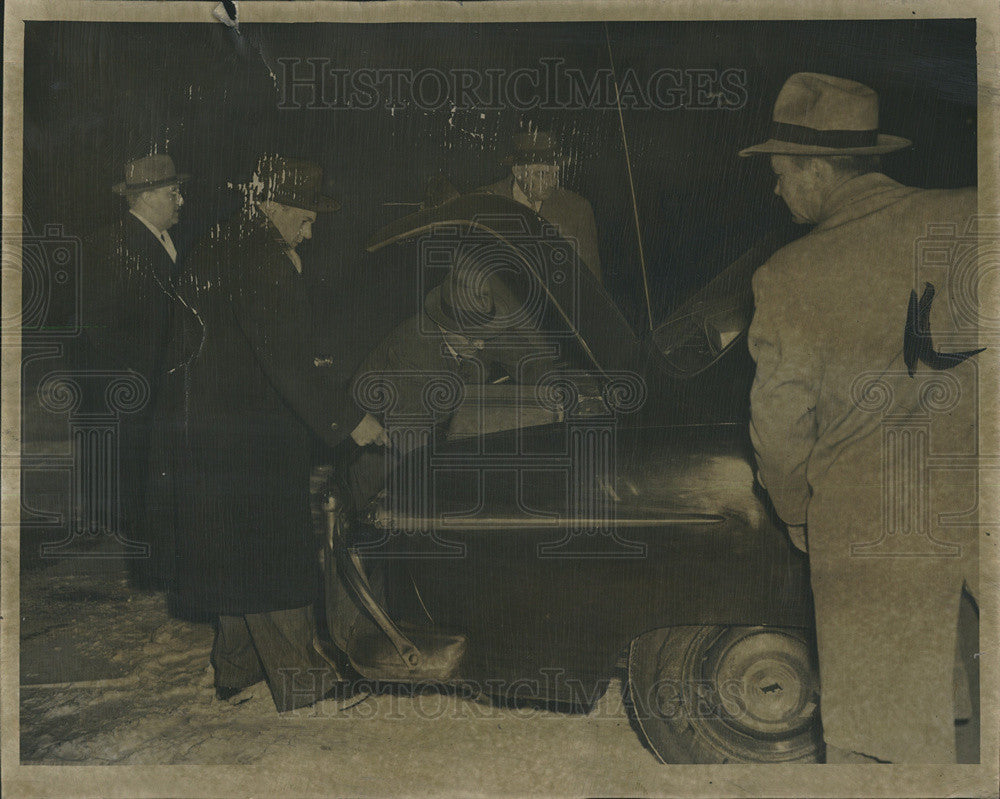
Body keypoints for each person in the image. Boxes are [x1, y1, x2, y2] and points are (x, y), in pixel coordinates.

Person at [740, 72, 981, 763]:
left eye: (784, 173)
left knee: (882, 748)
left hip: (875, 531)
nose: (778, 188)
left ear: (817, 171)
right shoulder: (973, 215)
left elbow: (780, 428)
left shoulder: (790, 274)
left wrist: (797, 510)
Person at [175, 155, 387, 712]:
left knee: (238, 549)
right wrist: (349, 421)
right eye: (307, 215)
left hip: (213, 429)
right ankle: (303, 681)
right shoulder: (262, 257)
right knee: (273, 550)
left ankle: (237, 668)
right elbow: (286, 361)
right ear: (273, 206)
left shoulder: (220, 240)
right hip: (251, 435)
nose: (312, 227)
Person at [81, 154, 203, 589]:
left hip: (169, 384)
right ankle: (152, 577)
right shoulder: (111, 244)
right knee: (144, 482)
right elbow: (98, 324)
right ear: (147, 196)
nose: (181, 201)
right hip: (141, 389)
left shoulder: (169, 240)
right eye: (173, 193)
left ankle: (169, 571)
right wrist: (152, 366)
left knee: (167, 480)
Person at [346, 265, 562, 508]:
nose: (480, 346)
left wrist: (556, 392)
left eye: (485, 336)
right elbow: (411, 442)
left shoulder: (476, 328)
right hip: (386, 458)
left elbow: (529, 360)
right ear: (443, 324)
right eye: (471, 338)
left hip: (443, 435)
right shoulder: (413, 351)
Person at [480, 131, 602, 282]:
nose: (552, 183)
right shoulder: (486, 202)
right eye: (542, 174)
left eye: (555, 173)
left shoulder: (578, 209)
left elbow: (591, 283)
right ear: (518, 171)